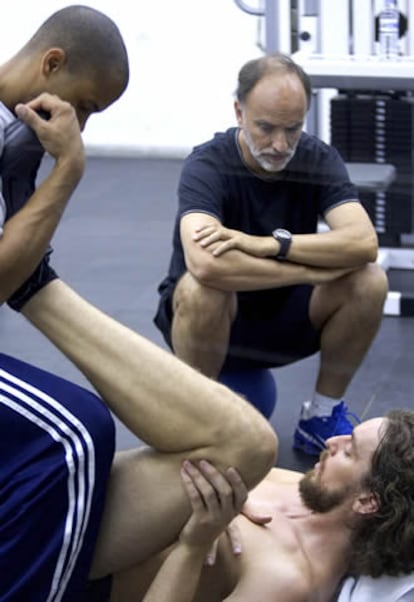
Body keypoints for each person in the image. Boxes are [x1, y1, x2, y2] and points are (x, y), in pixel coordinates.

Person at [0, 6, 279, 601]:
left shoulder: (11, 141)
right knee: (75, 432)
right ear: (52, 64)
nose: (84, 123)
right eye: (88, 106)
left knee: (92, 436)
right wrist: (68, 172)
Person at [153, 52, 389, 455]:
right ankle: (200, 424)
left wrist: (272, 245)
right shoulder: (208, 164)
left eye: (292, 129)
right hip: (210, 325)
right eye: (265, 128)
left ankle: (320, 416)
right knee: (200, 288)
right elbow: (206, 263)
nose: (280, 144)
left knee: (369, 281)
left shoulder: (317, 158)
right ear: (239, 112)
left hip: (283, 321)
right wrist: (306, 271)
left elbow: (364, 244)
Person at [106, 409, 414, 601]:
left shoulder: (290, 580)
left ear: (367, 501)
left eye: (350, 451)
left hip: (79, 565)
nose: (333, 442)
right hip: (106, 490)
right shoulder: (305, 486)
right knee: (247, 443)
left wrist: (194, 545)